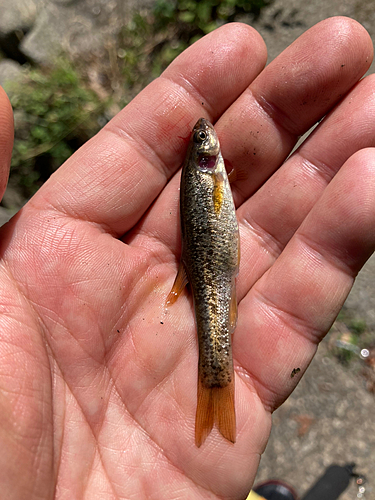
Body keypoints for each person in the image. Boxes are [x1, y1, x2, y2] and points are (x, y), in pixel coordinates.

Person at [0, 15, 374, 500]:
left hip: (213, 267)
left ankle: (216, 396)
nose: (208, 139)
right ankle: (215, 392)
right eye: (206, 144)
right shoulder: (208, 174)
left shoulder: (207, 176)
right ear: (209, 157)